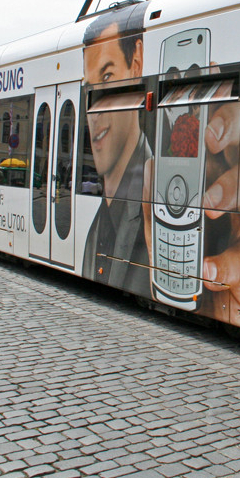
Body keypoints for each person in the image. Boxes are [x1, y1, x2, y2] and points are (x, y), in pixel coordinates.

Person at [81, 21, 150, 296]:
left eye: (107, 78)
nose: (94, 111)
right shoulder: (97, 225)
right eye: (90, 90)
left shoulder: (153, 213)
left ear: (136, 64)